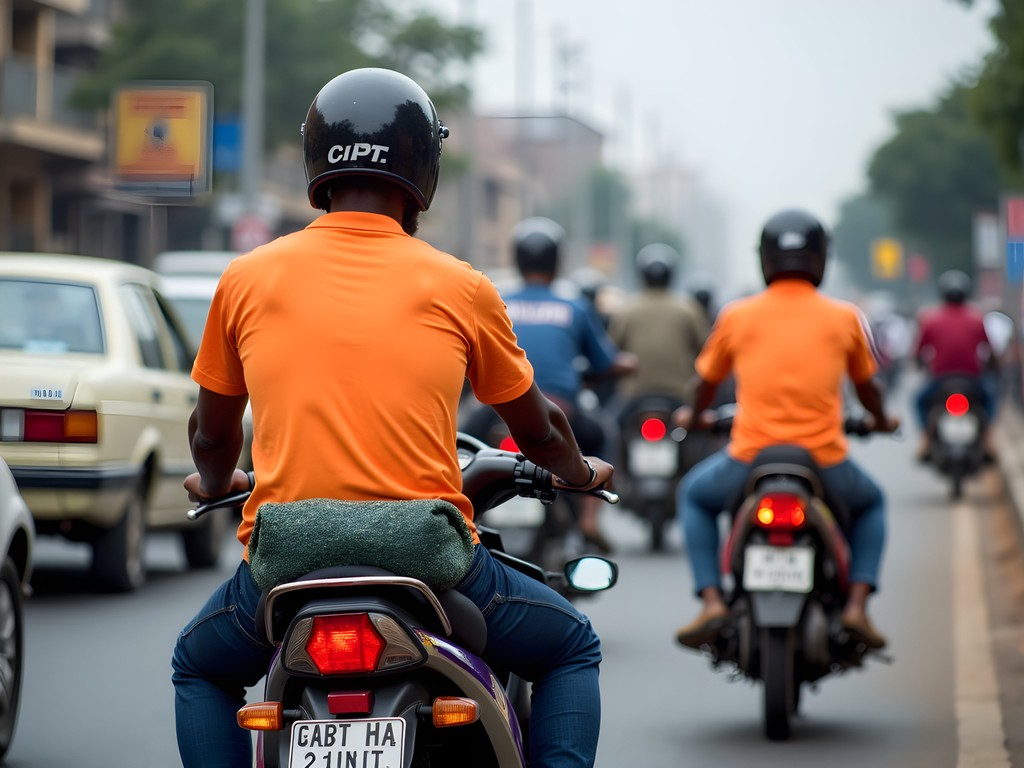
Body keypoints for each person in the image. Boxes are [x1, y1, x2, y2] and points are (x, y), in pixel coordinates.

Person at [170, 68, 612, 768]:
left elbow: (213, 432)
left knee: (199, 666)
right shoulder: (460, 284)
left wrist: (214, 478)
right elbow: (541, 429)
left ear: (318, 158)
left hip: (285, 557)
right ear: (422, 165)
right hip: (426, 557)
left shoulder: (246, 278)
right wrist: (579, 471)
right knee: (571, 646)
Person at [672, 209, 899, 651]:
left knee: (694, 496)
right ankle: (855, 607)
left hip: (750, 458)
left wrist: (694, 416)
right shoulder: (845, 317)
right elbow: (868, 387)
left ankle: (712, 600)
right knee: (871, 504)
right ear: (820, 259)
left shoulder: (737, 316)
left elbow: (704, 384)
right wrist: (880, 420)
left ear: (765, 260)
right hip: (825, 461)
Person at [495, 217, 636, 553]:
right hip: (559, 413)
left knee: (457, 447)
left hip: (495, 412)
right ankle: (589, 517)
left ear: (517, 259)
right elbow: (605, 362)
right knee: (604, 435)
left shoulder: (495, 299)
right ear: (558, 261)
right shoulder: (574, 306)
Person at [608, 243, 709, 406]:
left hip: (633, 395)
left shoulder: (626, 310)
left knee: (609, 429)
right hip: (680, 394)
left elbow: (610, 351)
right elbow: (706, 350)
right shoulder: (689, 309)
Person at [912, 269, 998, 460]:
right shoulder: (977, 319)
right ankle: (987, 440)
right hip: (972, 381)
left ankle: (925, 440)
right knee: (991, 399)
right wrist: (994, 367)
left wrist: (920, 364)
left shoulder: (931, 320)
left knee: (918, 401)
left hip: (940, 382)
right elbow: (990, 351)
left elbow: (918, 353)